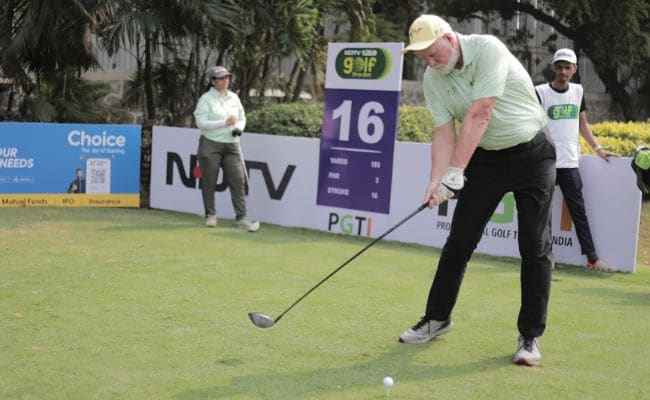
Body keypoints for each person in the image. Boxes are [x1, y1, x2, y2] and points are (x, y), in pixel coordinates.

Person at [399, 15, 557, 367]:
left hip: (533, 153)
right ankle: (437, 318)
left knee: (534, 245)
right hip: (486, 159)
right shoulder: (433, 78)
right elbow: (444, 130)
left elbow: (481, 113)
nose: (430, 62)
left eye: (432, 53)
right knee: (459, 240)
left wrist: (456, 171)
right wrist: (437, 179)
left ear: (449, 39)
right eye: (423, 57)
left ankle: (530, 336)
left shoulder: (488, 50)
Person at [535, 48, 615, 272]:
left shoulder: (578, 91)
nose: (563, 71)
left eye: (567, 67)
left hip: (570, 162)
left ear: (574, 70)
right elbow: (532, 125)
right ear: (553, 68)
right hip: (545, 162)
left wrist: (598, 148)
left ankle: (592, 258)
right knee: (543, 213)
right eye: (559, 67)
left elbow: (582, 124)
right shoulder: (540, 92)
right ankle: (546, 256)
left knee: (578, 212)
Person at [193, 66, 258, 232]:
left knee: (238, 180)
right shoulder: (206, 99)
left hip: (232, 144)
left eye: (227, 77)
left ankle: (242, 217)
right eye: (221, 78)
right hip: (210, 144)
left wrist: (239, 128)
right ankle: (210, 215)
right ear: (212, 81)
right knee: (209, 181)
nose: (225, 80)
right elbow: (201, 123)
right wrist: (224, 123)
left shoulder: (234, 98)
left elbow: (241, 117)